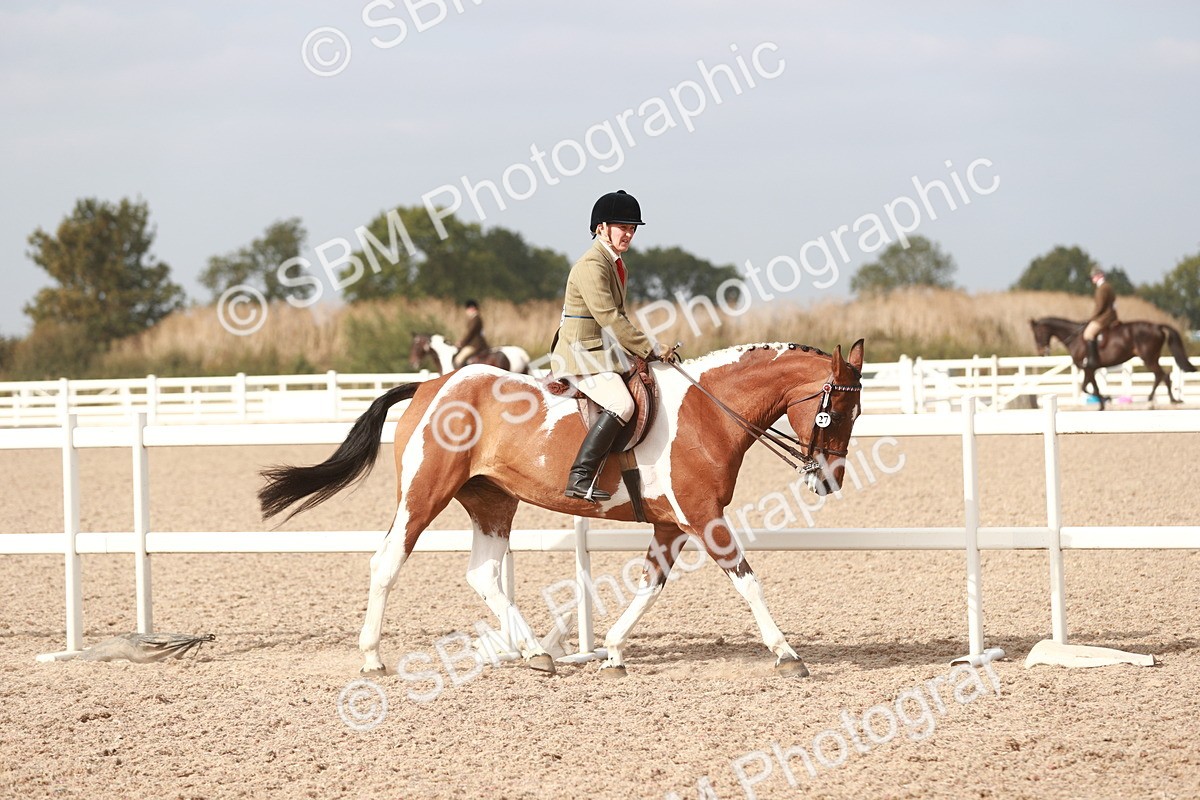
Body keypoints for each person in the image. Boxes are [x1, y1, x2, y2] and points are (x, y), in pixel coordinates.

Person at [550, 189, 676, 501]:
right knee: (622, 404)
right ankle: (580, 476)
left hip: (602, 352)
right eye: (622, 227)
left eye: (632, 228)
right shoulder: (592, 265)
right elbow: (609, 317)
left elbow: (620, 317)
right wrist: (650, 348)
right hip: (580, 354)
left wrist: (643, 352)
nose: (628, 234)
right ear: (601, 228)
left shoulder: (616, 264)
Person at [1083, 266, 1117, 369]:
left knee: (1088, 334)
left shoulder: (1102, 288)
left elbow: (1100, 306)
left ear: (1100, 275)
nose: (1092, 278)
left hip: (1104, 317)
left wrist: (1091, 318)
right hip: (1111, 315)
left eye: (1094, 276)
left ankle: (1093, 359)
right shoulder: (1108, 286)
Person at [452, 299, 489, 369]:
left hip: (475, 344)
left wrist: (462, 343)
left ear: (472, 308)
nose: (466, 312)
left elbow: (470, 333)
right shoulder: (474, 319)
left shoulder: (476, 319)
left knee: (458, 359)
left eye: (467, 309)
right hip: (473, 343)